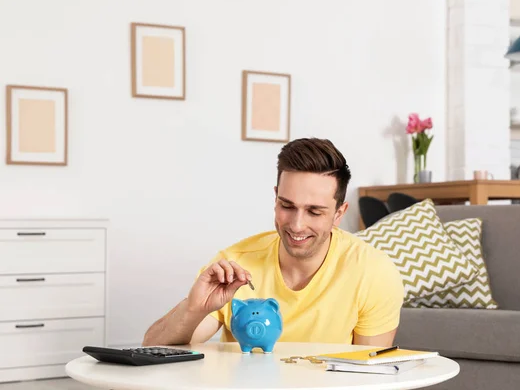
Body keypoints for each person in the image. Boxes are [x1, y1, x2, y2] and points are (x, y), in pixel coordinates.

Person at [143, 138, 404, 347]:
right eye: (287, 206)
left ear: (339, 213)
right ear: (275, 197)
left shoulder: (374, 272)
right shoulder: (235, 264)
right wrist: (194, 308)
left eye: (314, 211)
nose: (297, 225)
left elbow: (371, 376)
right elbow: (151, 347)